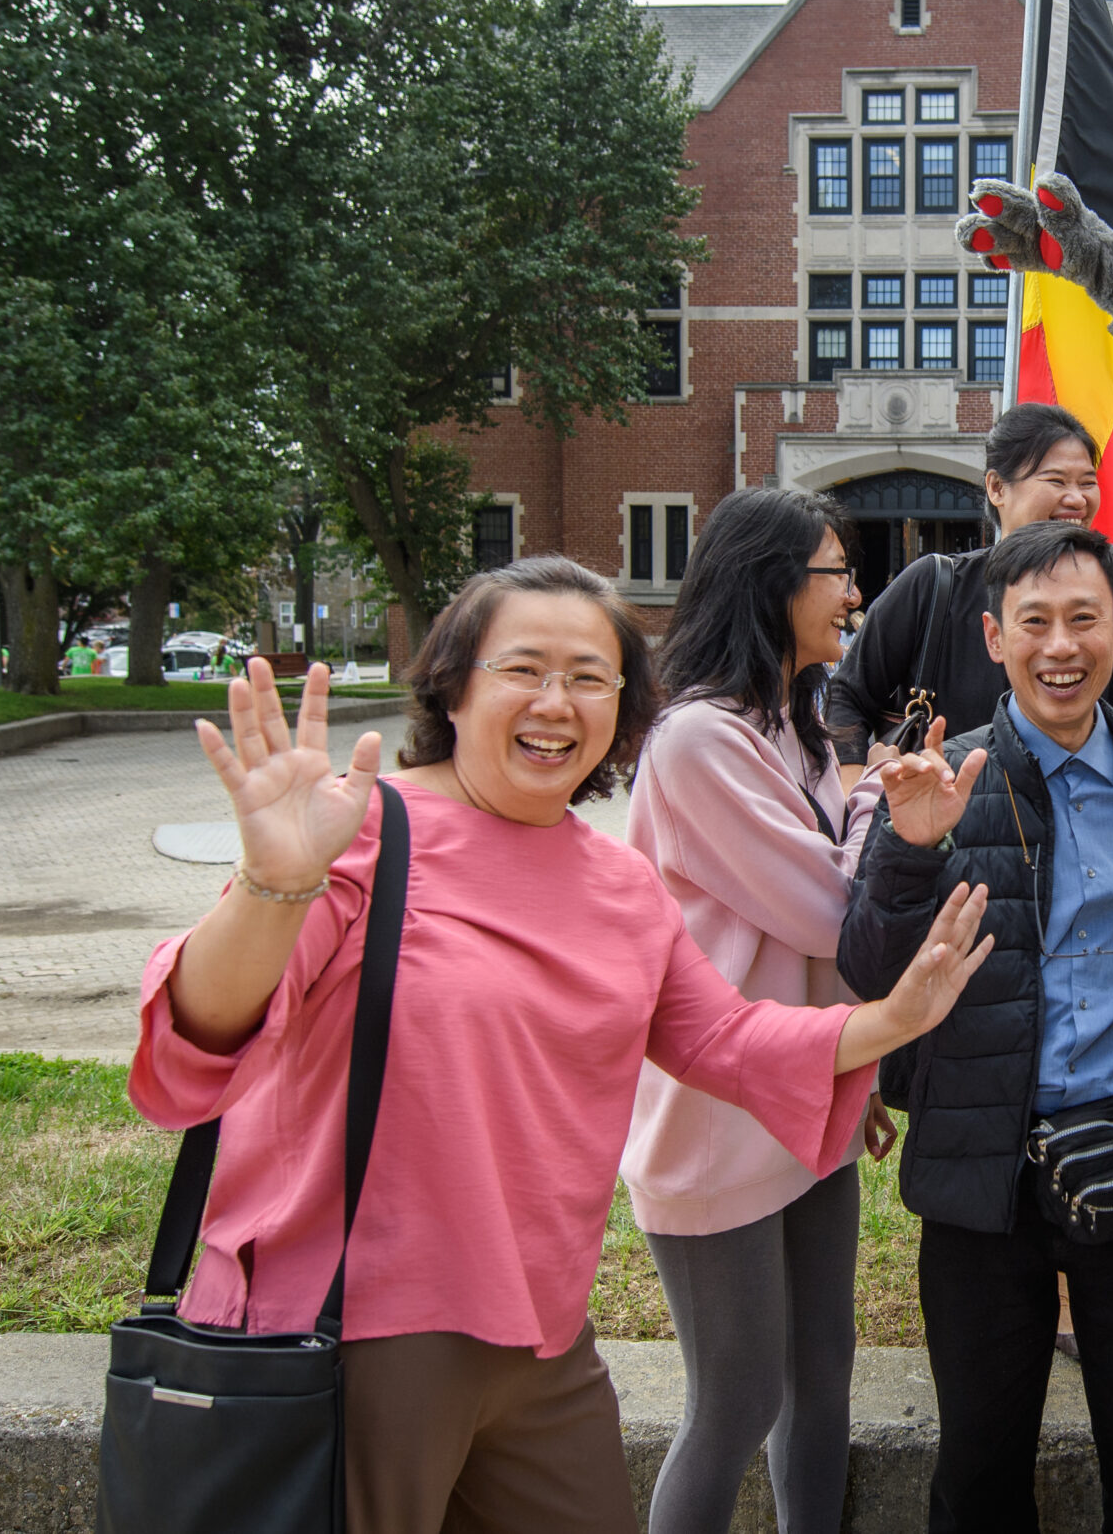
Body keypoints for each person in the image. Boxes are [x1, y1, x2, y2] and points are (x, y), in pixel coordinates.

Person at [125, 555, 996, 1534]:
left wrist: (892, 1020)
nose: (556, 702)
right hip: (350, 1327)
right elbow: (202, 1036)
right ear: (453, 686)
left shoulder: (616, 883)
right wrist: (271, 886)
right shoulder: (359, 834)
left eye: (590, 677)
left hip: (541, 1336)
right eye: (523, 669)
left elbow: (721, 1036)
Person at [838, 520, 1113, 1534]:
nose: (1061, 646)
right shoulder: (936, 782)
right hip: (981, 1173)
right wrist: (909, 856)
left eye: (1083, 620)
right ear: (993, 637)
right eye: (1034, 622)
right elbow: (869, 975)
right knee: (979, 1467)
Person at [618, 490, 895, 1534]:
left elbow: (821, 926)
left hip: (802, 1093)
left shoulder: (797, 724)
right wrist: (878, 800)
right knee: (736, 1400)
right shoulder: (697, 739)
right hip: (716, 1106)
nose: (853, 594)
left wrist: (847, 1073)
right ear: (770, 583)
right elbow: (829, 908)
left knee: (823, 1371)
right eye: (835, 572)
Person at [826, 402, 1113, 784]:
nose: (1077, 498)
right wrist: (854, 792)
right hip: (949, 836)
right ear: (997, 487)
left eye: (1088, 482)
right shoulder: (934, 586)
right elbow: (847, 693)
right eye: (1056, 480)